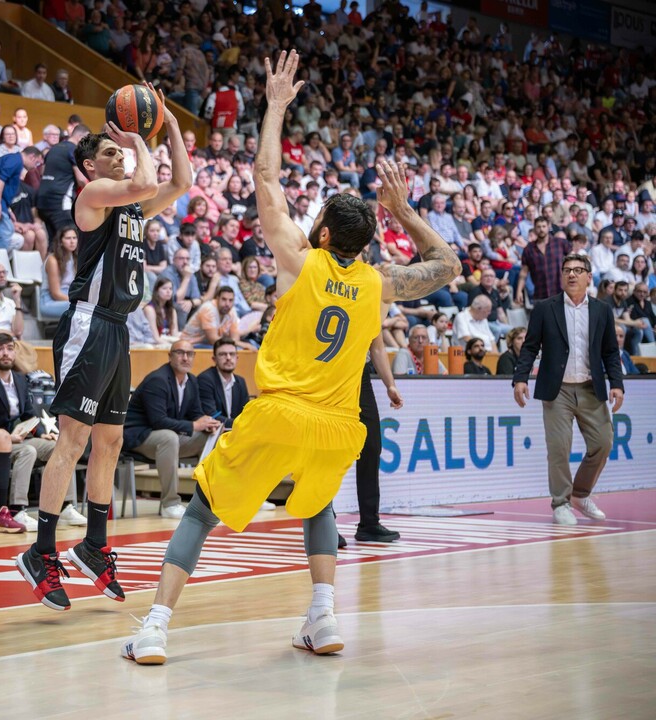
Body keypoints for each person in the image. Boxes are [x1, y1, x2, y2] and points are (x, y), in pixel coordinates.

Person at [120, 51, 462, 664]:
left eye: (318, 217)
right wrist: (405, 210)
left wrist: (276, 104)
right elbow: (447, 265)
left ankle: (154, 627)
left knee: (200, 513)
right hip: (338, 427)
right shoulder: (380, 282)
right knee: (318, 503)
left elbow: (265, 175)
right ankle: (323, 618)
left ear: (324, 234)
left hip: (280, 413)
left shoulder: (299, 262)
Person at [17, 85, 192, 611]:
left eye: (123, 149)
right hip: (88, 325)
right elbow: (145, 179)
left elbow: (180, 182)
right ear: (90, 166)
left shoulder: (132, 209)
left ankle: (94, 545)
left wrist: (170, 126)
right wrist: (139, 142)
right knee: (72, 440)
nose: (121, 155)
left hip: (118, 329)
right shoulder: (92, 196)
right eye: (111, 151)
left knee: (110, 442)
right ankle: (41, 551)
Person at [513, 253, 622, 526]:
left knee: (603, 443)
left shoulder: (601, 310)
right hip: (557, 389)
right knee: (559, 447)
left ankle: (580, 494)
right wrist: (520, 378)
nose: (571, 274)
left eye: (577, 270)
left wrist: (617, 384)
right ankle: (561, 502)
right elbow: (530, 347)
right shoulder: (544, 308)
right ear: (562, 276)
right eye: (567, 270)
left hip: (590, 387)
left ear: (589, 277)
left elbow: (610, 351)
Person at [0, 334, 85, 530]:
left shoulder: (20, 380)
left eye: (9, 348)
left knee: (60, 446)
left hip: (16, 439)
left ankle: (64, 506)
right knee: (27, 451)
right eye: (0, 349)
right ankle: (17, 510)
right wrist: (7, 437)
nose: (5, 353)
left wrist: (41, 433)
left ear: (15, 352)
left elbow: (29, 414)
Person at [124, 340, 223, 518]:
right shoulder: (157, 380)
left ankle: (212, 500)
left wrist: (206, 422)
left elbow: (195, 413)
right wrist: (195, 425)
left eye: (189, 354)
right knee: (168, 437)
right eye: (180, 353)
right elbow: (158, 421)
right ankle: (170, 503)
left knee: (215, 437)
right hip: (139, 437)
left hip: (170, 437)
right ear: (170, 356)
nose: (185, 358)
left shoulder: (191, 381)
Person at [349, 334, 404, 545]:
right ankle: (325, 525)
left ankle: (369, 522)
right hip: (330, 372)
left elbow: (377, 348)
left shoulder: (371, 312)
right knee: (329, 449)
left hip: (360, 375)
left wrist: (390, 385)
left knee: (372, 446)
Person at [0, 146, 43, 250]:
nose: (35, 167)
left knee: (8, 229)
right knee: (6, 231)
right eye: (36, 163)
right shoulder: (15, 160)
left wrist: (7, 210)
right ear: (32, 157)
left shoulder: (15, 160)